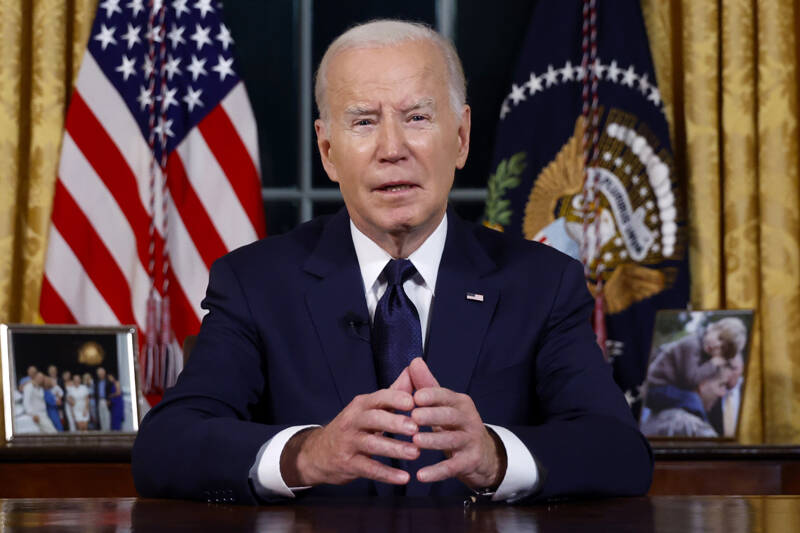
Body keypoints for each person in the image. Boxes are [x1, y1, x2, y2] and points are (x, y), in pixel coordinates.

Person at [132, 19, 652, 505]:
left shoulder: (542, 283)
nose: (392, 148)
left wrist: (494, 455)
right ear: (328, 150)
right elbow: (165, 446)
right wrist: (307, 454)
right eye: (364, 122)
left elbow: (619, 452)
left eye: (417, 118)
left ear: (461, 138)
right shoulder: (255, 283)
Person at [642, 317, 747, 436]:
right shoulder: (691, 344)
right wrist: (713, 363)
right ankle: (704, 430)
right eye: (719, 338)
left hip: (664, 389)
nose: (717, 345)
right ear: (712, 328)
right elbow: (691, 379)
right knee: (692, 399)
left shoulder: (702, 349)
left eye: (722, 348)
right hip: (654, 388)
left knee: (689, 399)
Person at [94, 367, 112, 431]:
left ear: (104, 373)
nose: (100, 375)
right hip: (99, 400)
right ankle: (103, 430)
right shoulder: (97, 382)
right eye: (99, 374)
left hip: (106, 400)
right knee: (101, 416)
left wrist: (109, 400)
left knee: (107, 416)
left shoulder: (108, 381)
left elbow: (111, 391)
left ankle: (107, 430)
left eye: (101, 373)